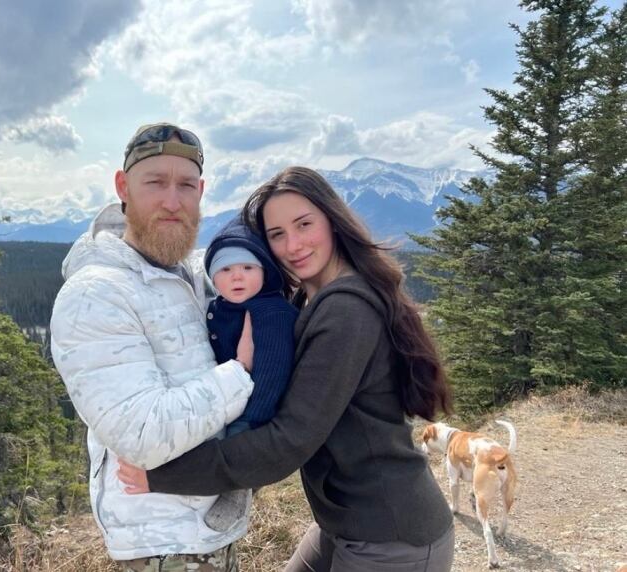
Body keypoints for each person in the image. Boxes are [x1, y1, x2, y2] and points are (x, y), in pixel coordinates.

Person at [118, 166, 456, 571]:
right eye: (277, 235)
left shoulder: (345, 311)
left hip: (391, 535)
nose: (293, 244)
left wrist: (164, 474)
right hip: (344, 524)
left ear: (332, 221)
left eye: (304, 224)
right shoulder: (306, 303)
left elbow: (288, 441)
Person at [50, 123, 255, 571]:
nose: (172, 201)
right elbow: (142, 435)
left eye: (185, 185)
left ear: (201, 191)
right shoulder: (95, 295)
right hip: (163, 550)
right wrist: (241, 372)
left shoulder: (188, 276)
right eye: (155, 183)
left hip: (207, 536)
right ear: (123, 187)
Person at [202, 216, 298, 531]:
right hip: (229, 396)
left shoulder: (270, 312)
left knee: (235, 450)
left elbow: (273, 368)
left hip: (255, 406)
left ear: (264, 271)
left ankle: (238, 490)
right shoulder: (223, 305)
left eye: (247, 268)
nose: (237, 277)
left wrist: (255, 415)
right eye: (225, 270)